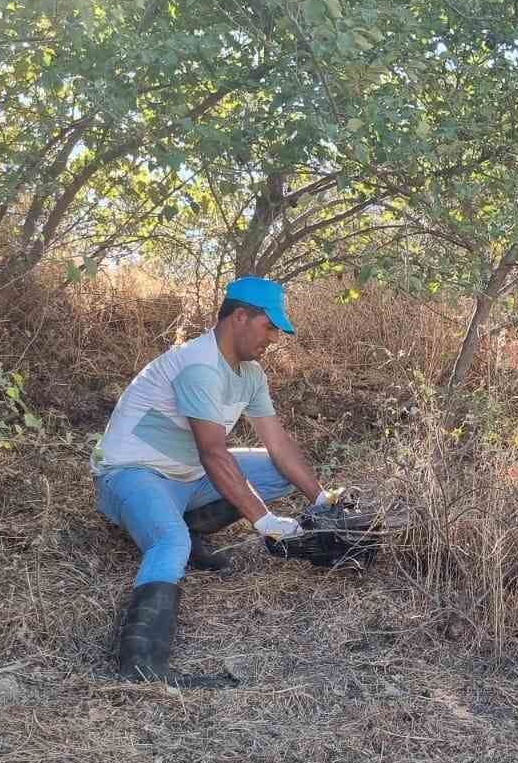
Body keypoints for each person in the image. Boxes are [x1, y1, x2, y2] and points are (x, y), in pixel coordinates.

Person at [93, 276, 346, 685]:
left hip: (186, 478)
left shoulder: (250, 374)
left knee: (275, 469)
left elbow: (277, 442)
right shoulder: (198, 366)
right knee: (168, 542)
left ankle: (187, 531)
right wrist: (264, 522)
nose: (274, 338)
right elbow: (213, 452)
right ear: (240, 317)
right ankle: (141, 667)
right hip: (131, 475)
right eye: (269, 326)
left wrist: (321, 500)